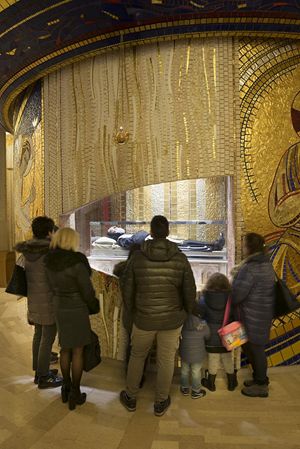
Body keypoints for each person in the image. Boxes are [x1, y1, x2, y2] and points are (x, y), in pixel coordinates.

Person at [119, 215, 197, 417]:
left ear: (151, 232)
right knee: (166, 360)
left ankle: (131, 396)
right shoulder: (180, 258)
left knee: (137, 356)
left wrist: (133, 311)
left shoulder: (138, 257)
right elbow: (190, 290)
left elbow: (127, 289)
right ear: (168, 231)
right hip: (172, 319)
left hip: (144, 318)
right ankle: (161, 401)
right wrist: (186, 312)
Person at [45, 228, 98, 410]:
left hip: (60, 307)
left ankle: (65, 388)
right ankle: (76, 392)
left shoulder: (49, 262)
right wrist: (94, 306)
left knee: (65, 349)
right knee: (78, 351)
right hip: (77, 308)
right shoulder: (77, 262)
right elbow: (87, 291)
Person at [15, 216, 62, 389]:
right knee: (47, 339)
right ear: (50, 232)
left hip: (34, 299)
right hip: (48, 301)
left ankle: (38, 371)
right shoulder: (50, 253)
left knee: (38, 335)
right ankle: (43, 377)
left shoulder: (27, 251)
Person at [232, 232, 275, 398]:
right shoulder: (265, 264)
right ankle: (258, 379)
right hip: (261, 314)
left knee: (255, 350)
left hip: (252, 316)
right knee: (254, 348)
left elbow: (237, 295)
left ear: (249, 248)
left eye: (243, 245)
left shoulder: (250, 268)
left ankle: (261, 385)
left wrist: (233, 281)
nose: (241, 248)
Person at [199, 273, 237, 392]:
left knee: (213, 359)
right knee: (227, 359)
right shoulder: (232, 299)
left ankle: (211, 383)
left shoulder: (204, 298)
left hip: (211, 336)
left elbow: (200, 314)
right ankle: (232, 383)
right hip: (227, 336)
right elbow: (234, 315)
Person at [179, 313, 209, 399]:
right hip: (198, 353)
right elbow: (208, 336)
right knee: (196, 372)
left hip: (185, 352)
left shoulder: (181, 321)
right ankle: (196, 391)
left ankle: (185, 388)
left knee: (184, 370)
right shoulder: (203, 323)